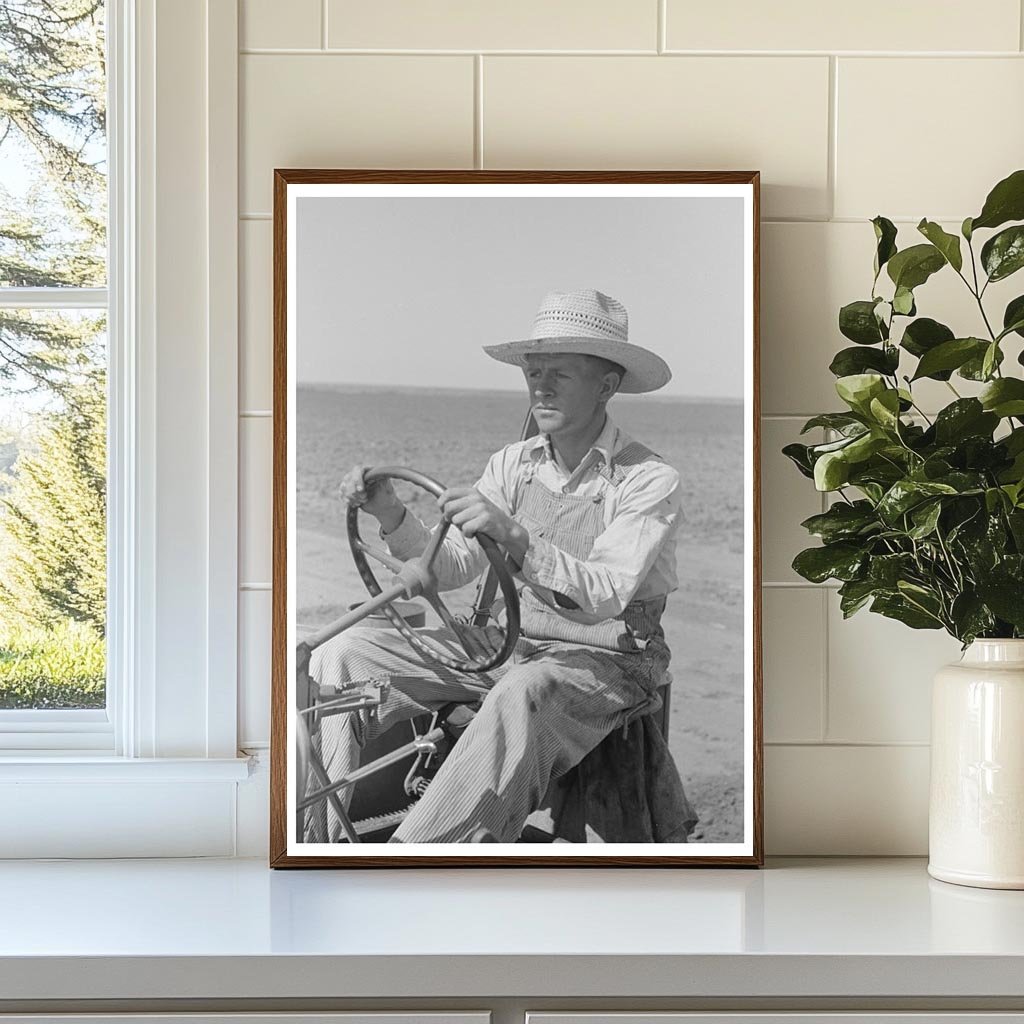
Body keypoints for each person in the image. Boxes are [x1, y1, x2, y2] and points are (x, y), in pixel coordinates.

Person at [303, 288, 694, 844]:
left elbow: (605, 595)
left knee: (522, 690)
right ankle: (318, 839)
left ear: (607, 386)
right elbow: (452, 566)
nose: (540, 385)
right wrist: (389, 511)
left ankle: (419, 860)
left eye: (559, 372)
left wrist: (514, 535)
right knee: (344, 653)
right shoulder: (513, 463)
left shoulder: (648, 480)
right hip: (505, 645)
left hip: (608, 660)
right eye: (534, 372)